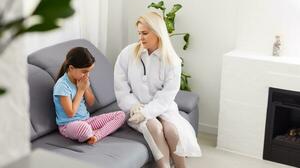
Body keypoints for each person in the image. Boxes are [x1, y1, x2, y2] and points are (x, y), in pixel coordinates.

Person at [114, 12, 201, 168]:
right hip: (135, 109)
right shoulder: (127, 54)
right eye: (139, 33)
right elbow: (121, 89)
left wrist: (147, 112)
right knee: (154, 126)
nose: (141, 37)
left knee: (172, 132)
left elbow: (166, 96)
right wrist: (135, 107)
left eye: (145, 33)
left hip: (163, 108)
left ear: (158, 32)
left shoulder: (172, 60)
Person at [53, 47, 125, 145]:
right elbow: (70, 113)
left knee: (120, 115)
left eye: (89, 71)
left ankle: (96, 136)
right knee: (84, 128)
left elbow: (91, 102)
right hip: (69, 125)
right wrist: (81, 90)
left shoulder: (82, 79)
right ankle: (92, 133)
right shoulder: (62, 85)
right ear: (71, 68)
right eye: (84, 71)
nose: (87, 75)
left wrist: (85, 88)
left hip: (87, 120)